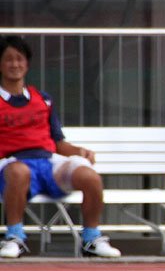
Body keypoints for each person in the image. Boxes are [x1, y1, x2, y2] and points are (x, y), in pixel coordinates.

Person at [0, 35, 121, 259]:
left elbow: (58, 142)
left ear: (27, 64)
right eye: (8, 59)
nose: (15, 64)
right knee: (18, 171)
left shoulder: (43, 99)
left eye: (20, 58)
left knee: (90, 176)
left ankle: (91, 239)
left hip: (48, 162)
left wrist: (79, 152)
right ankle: (14, 237)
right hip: (11, 164)